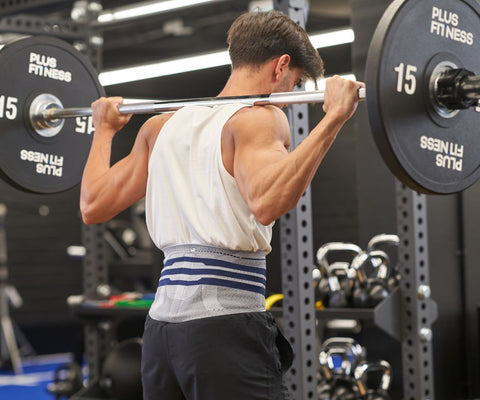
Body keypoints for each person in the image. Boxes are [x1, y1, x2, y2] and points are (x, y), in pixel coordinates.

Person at [80, 9, 364, 400]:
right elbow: (267, 202)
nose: (290, 100)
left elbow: (93, 204)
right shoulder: (257, 120)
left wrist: (104, 132)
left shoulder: (160, 127)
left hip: (162, 333)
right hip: (222, 329)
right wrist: (333, 118)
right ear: (281, 66)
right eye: (296, 83)